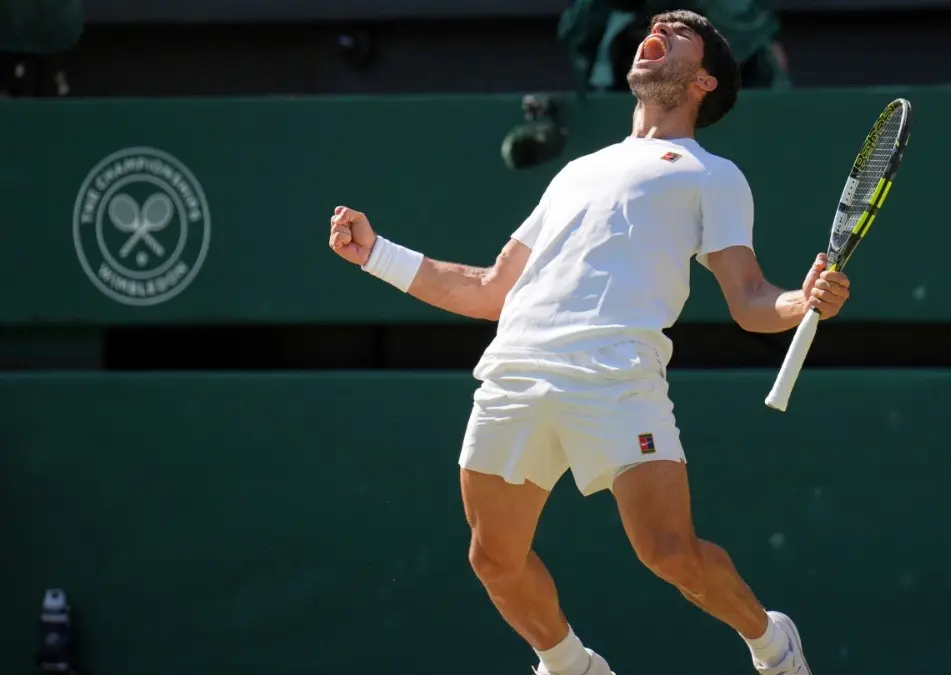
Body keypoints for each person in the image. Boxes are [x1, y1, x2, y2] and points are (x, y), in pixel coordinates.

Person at [327, 10, 850, 675]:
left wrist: (802, 300)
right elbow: (490, 286)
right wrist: (376, 254)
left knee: (668, 552)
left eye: (680, 29)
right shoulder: (576, 172)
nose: (658, 25)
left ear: (705, 81)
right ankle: (572, 666)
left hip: (616, 375)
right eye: (657, 23)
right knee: (492, 557)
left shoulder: (712, 175)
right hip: (516, 369)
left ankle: (771, 643)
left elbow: (749, 300)